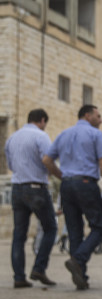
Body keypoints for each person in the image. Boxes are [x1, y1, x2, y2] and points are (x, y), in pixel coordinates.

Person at [42, 104, 102, 290]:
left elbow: (47, 160)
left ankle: (81, 276)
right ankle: (78, 260)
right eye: (98, 115)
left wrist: (62, 176)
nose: (101, 119)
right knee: (99, 226)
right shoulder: (95, 134)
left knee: (74, 231)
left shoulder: (64, 134)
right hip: (86, 183)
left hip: (67, 185)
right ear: (87, 116)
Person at [6, 109, 57, 288]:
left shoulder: (12, 137)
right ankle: (39, 268)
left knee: (19, 234)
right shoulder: (41, 136)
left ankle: (19, 277)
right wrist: (59, 175)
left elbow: (10, 164)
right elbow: (47, 160)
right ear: (42, 120)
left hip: (17, 188)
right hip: (36, 188)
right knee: (50, 227)